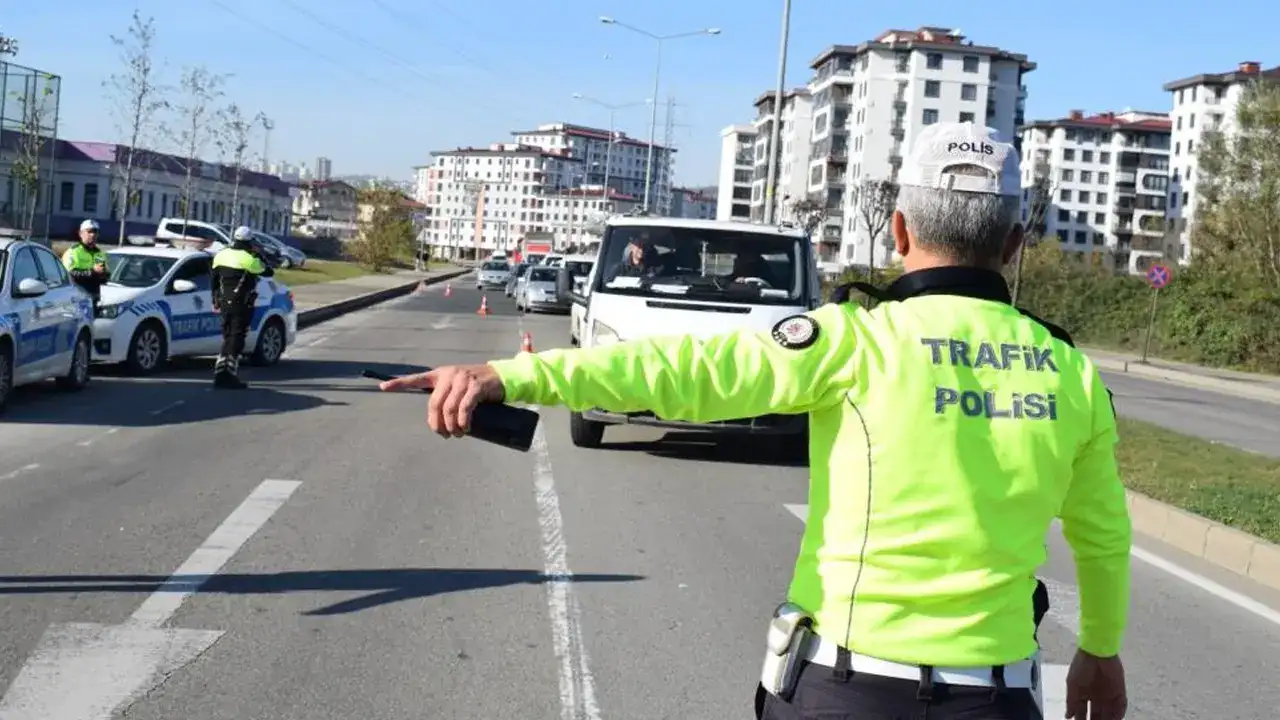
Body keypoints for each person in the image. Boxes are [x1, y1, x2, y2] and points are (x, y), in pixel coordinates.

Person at [379, 122, 1131, 720]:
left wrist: (511, 375)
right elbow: (1102, 536)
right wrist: (1099, 651)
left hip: (847, 689)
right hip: (995, 699)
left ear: (898, 231)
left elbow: (678, 371)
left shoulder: (855, 341)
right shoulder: (1070, 372)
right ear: (1013, 244)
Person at [210, 225, 273, 389]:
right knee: (237, 339)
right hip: (242, 303)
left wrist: (214, 300)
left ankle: (220, 373)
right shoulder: (250, 259)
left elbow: (214, 281)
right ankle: (229, 375)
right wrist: (259, 253)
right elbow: (268, 271)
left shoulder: (221, 255)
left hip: (224, 302)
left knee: (227, 336)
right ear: (248, 241)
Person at [61, 219, 110, 305]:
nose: (93, 235)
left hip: (95, 297)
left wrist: (104, 274)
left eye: (95, 232)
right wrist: (93, 272)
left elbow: (105, 275)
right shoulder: (73, 252)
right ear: (81, 234)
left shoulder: (99, 253)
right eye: (89, 231)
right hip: (77, 298)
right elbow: (69, 274)